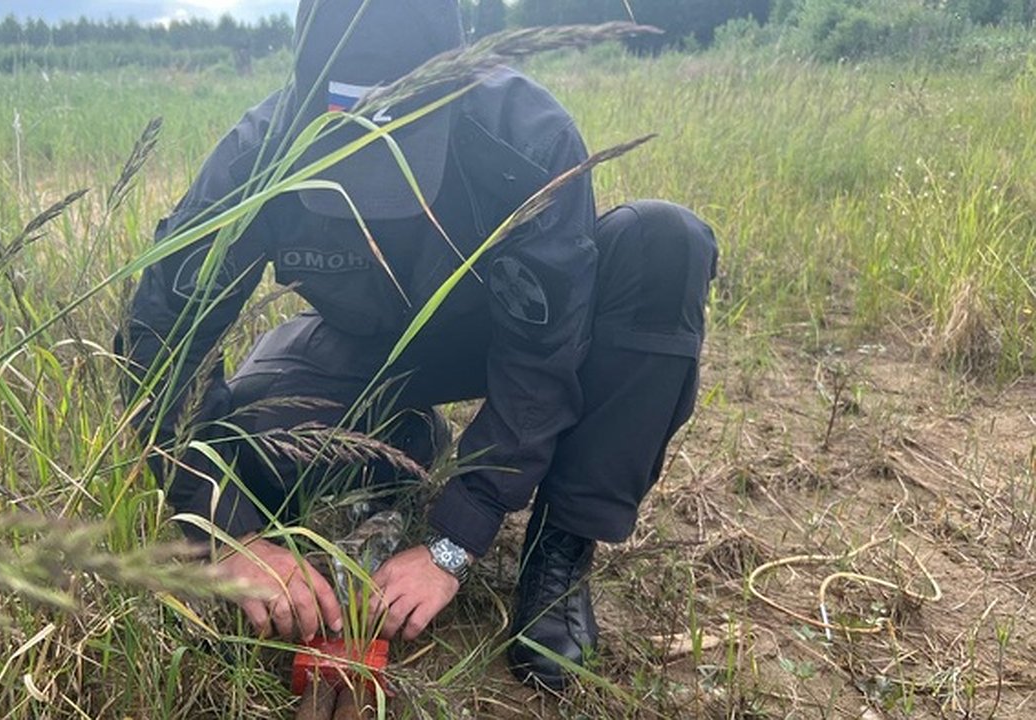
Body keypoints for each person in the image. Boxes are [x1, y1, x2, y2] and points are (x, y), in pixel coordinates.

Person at [116, 0, 718, 691]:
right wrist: (230, 535)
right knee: (247, 452)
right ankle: (404, 440)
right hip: (361, 351)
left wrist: (453, 542)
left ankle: (558, 548)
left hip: (500, 341)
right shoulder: (261, 150)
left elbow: (542, 361)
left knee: (664, 243)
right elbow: (163, 336)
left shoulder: (526, 137)